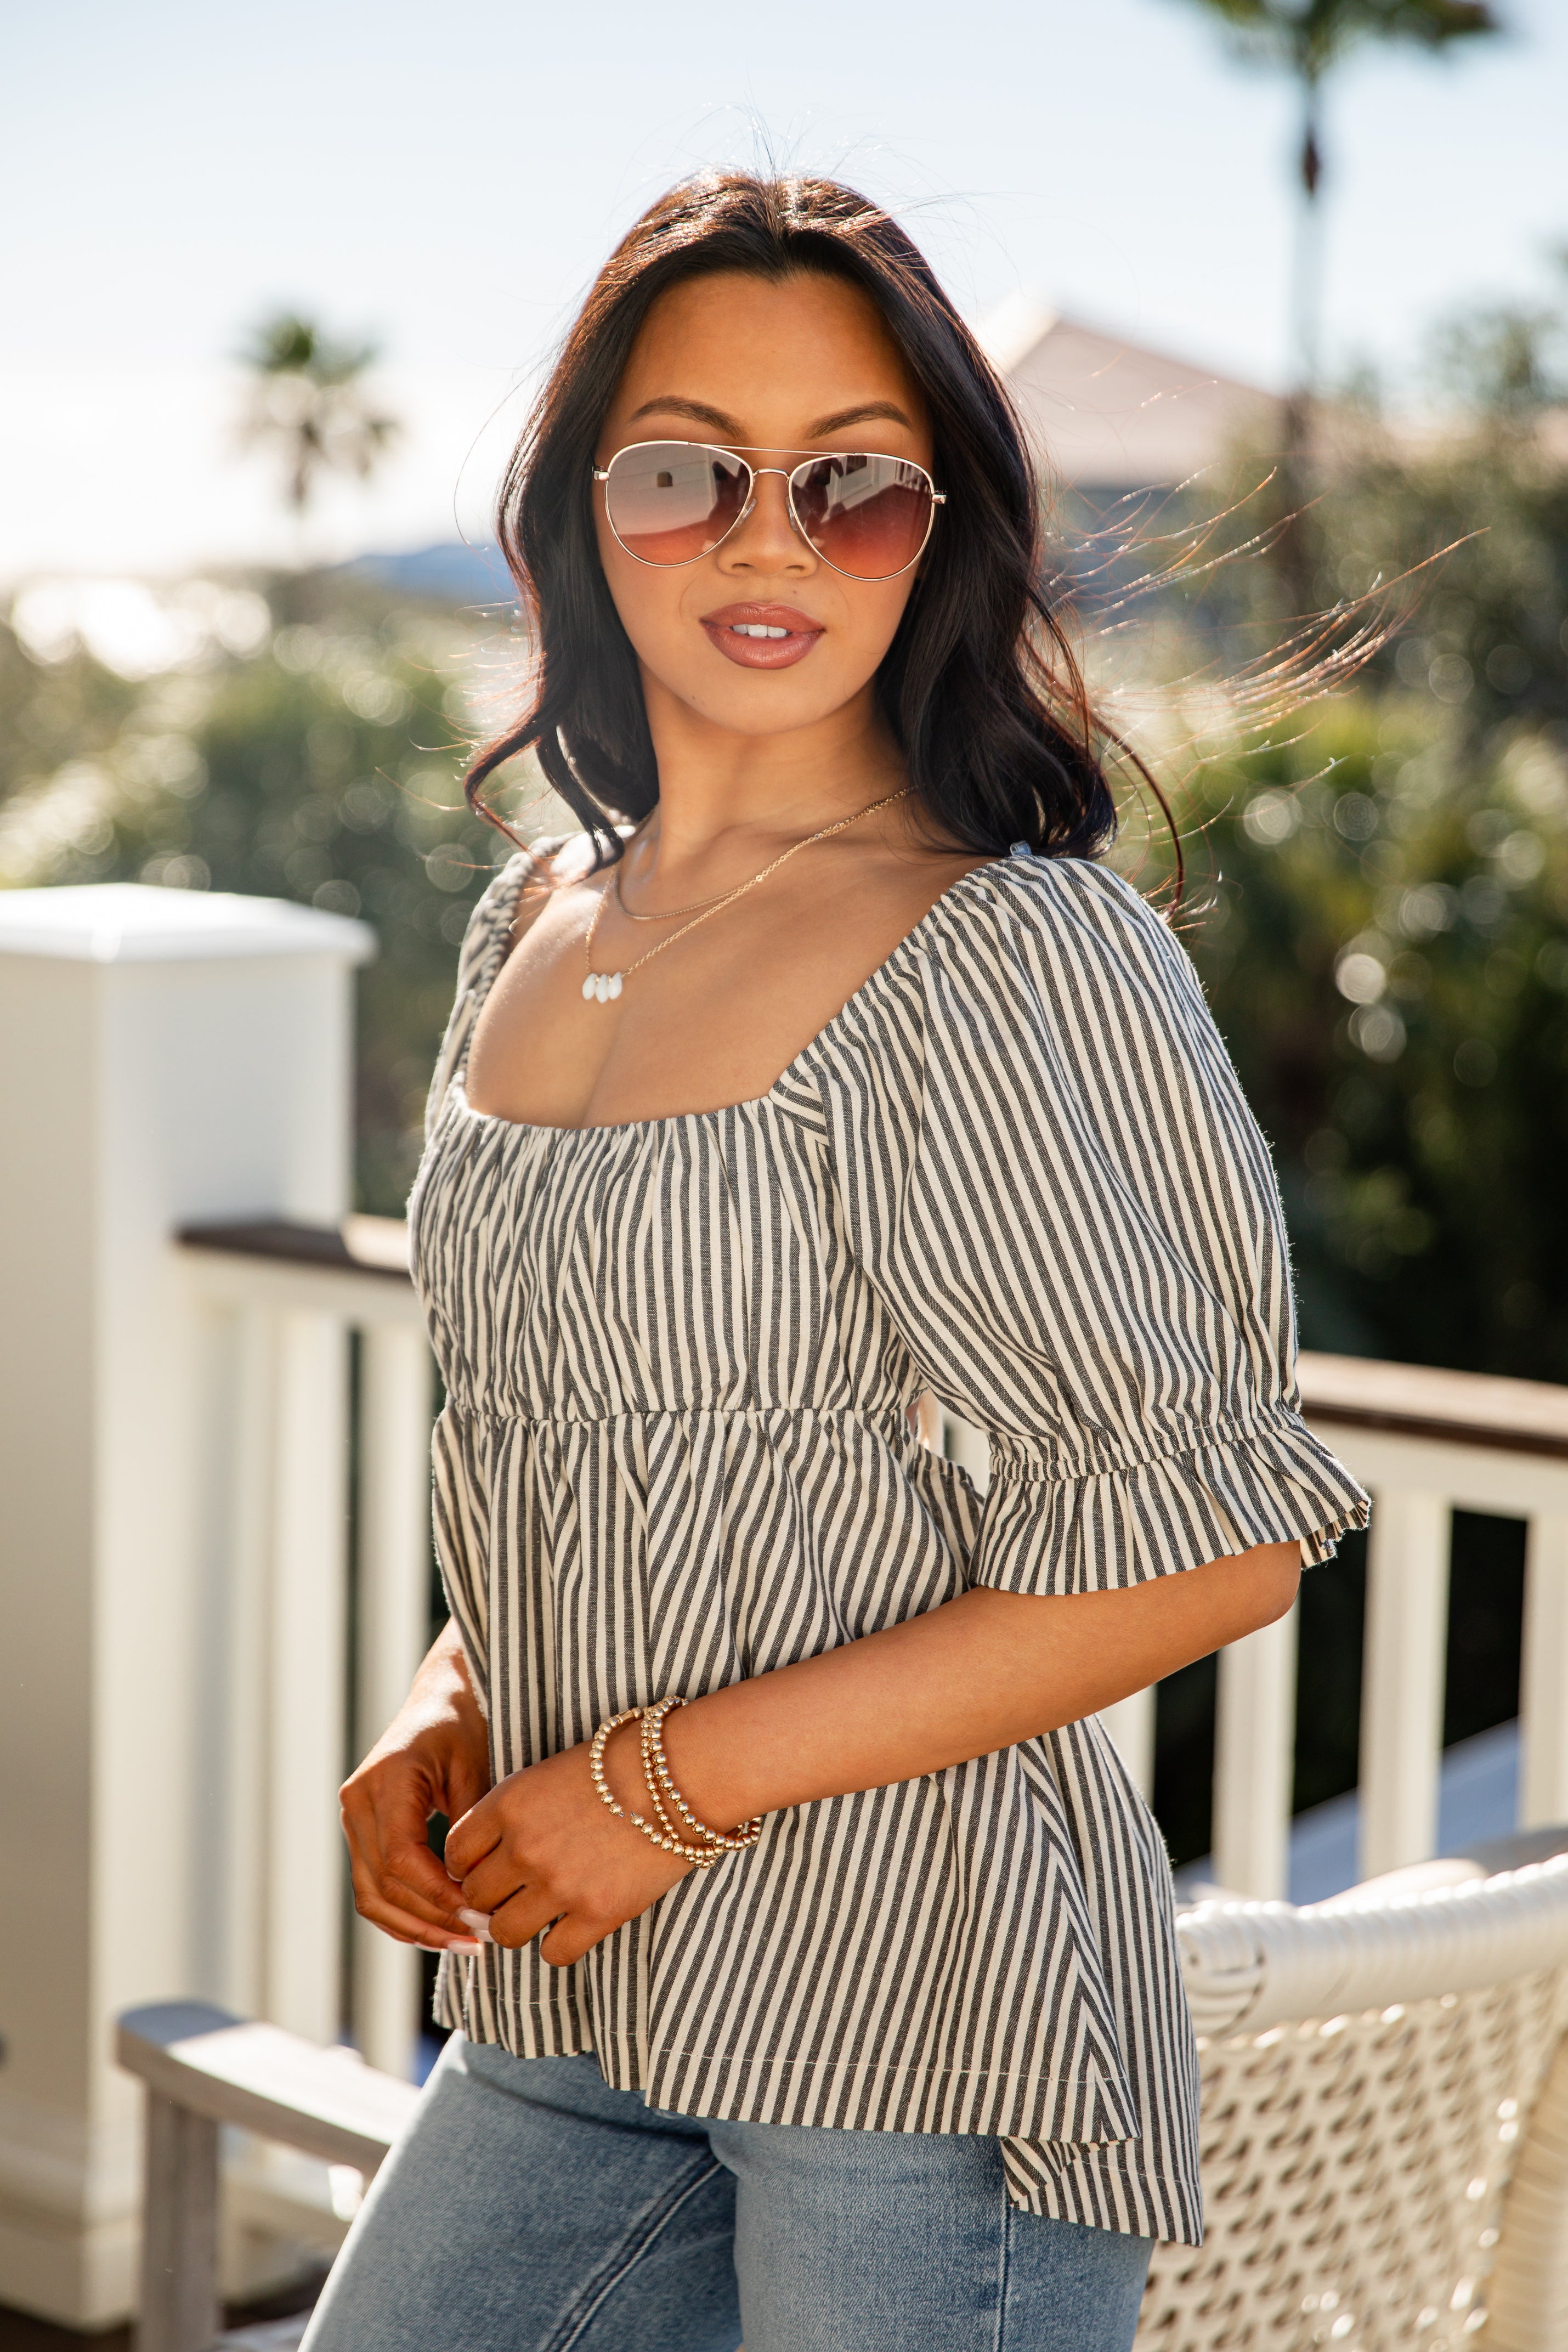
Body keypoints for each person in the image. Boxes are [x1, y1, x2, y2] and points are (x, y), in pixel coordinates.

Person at [305, 171, 1368, 2352]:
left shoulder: (1007, 949)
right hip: (579, 1968)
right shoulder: (534, 920)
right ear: (582, 504)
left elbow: (1208, 1546)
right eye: (687, 469)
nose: (767, 542)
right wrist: (461, 1690)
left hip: (917, 2026)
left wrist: (651, 1787)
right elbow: (591, 1421)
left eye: (852, 485)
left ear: (941, 524)